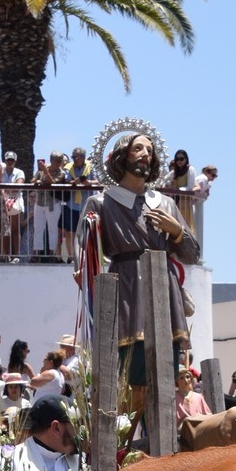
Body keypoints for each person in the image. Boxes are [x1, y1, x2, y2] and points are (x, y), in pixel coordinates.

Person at [76, 130, 201, 398]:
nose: (146, 154)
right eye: (138, 149)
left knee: (164, 376)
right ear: (123, 156)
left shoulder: (165, 204)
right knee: (128, 375)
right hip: (126, 289)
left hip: (163, 288)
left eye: (149, 150)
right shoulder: (101, 203)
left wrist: (177, 230)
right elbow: (84, 253)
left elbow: (192, 254)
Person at [8, 399, 81, 471]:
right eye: (76, 425)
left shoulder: (83, 459)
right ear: (56, 428)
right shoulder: (13, 461)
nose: (81, 433)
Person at [58, 146, 91, 265]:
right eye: (73, 157)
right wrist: (75, 182)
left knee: (87, 231)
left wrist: (87, 183)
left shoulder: (90, 167)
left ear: (83, 157)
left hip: (86, 204)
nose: (75, 159)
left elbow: (98, 181)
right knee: (70, 232)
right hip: (71, 204)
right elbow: (66, 182)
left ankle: (86, 257)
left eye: (78, 157)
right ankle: (72, 257)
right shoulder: (68, 168)